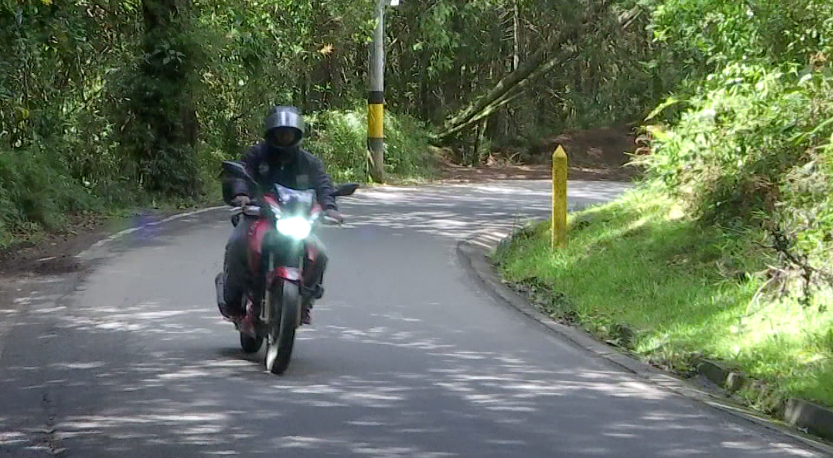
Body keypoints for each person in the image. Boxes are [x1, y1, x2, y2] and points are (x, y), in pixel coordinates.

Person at [216, 106, 343, 325]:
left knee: (320, 252)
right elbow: (241, 174)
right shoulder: (257, 155)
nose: (285, 137)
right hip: (259, 217)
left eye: (289, 133)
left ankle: (305, 300)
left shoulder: (309, 162)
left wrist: (329, 207)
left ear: (297, 134)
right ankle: (233, 302)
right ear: (271, 133)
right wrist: (241, 194)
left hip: (296, 219)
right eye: (280, 132)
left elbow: (323, 184)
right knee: (237, 244)